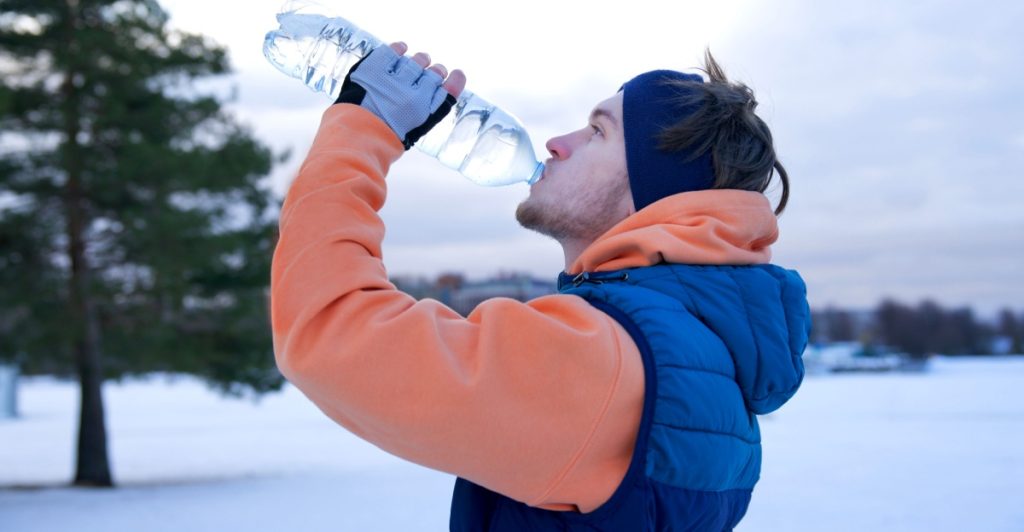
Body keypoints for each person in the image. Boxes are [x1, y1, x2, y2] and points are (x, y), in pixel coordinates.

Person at [271, 40, 811, 531]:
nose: (555, 143)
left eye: (598, 132)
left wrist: (363, 127)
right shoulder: (699, 353)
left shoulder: (609, 359)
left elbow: (330, 332)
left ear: (656, 190)